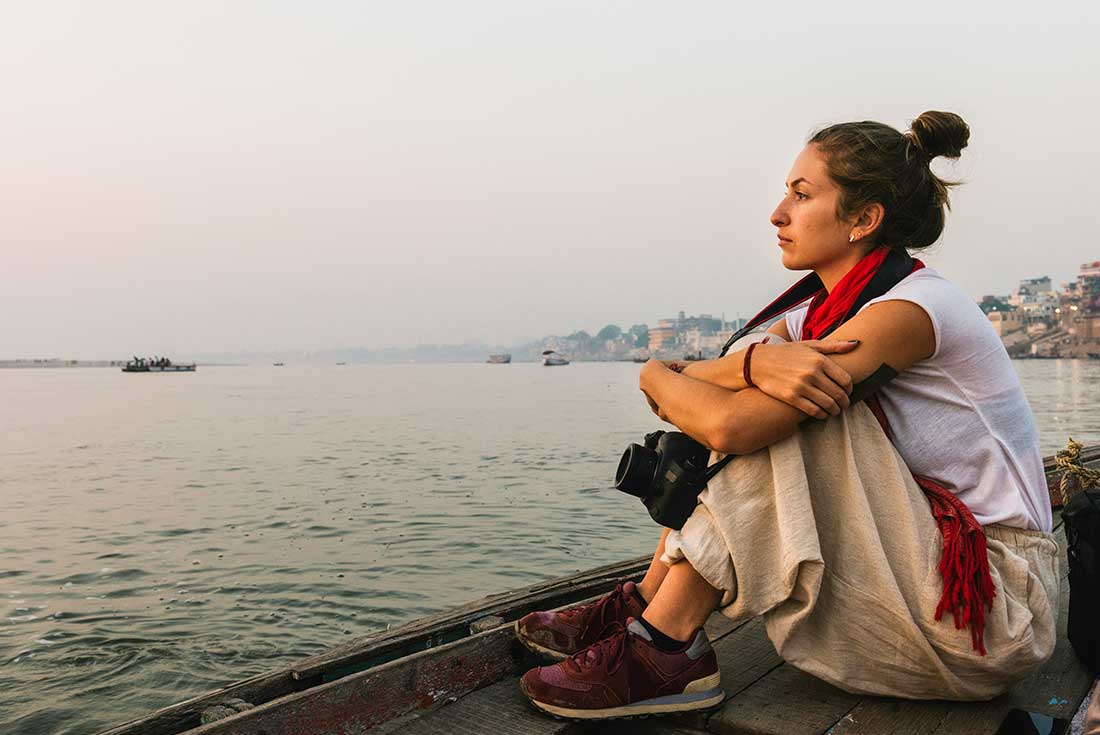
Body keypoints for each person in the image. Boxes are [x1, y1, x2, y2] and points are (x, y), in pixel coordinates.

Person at [515, 111, 1058, 720]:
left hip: (993, 611)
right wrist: (721, 367)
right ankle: (647, 604)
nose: (778, 213)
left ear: (863, 219)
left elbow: (731, 425)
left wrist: (715, 374)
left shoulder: (912, 309)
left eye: (801, 196)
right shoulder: (816, 317)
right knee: (764, 398)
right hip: (922, 578)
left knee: (794, 413)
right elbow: (701, 379)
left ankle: (665, 647)